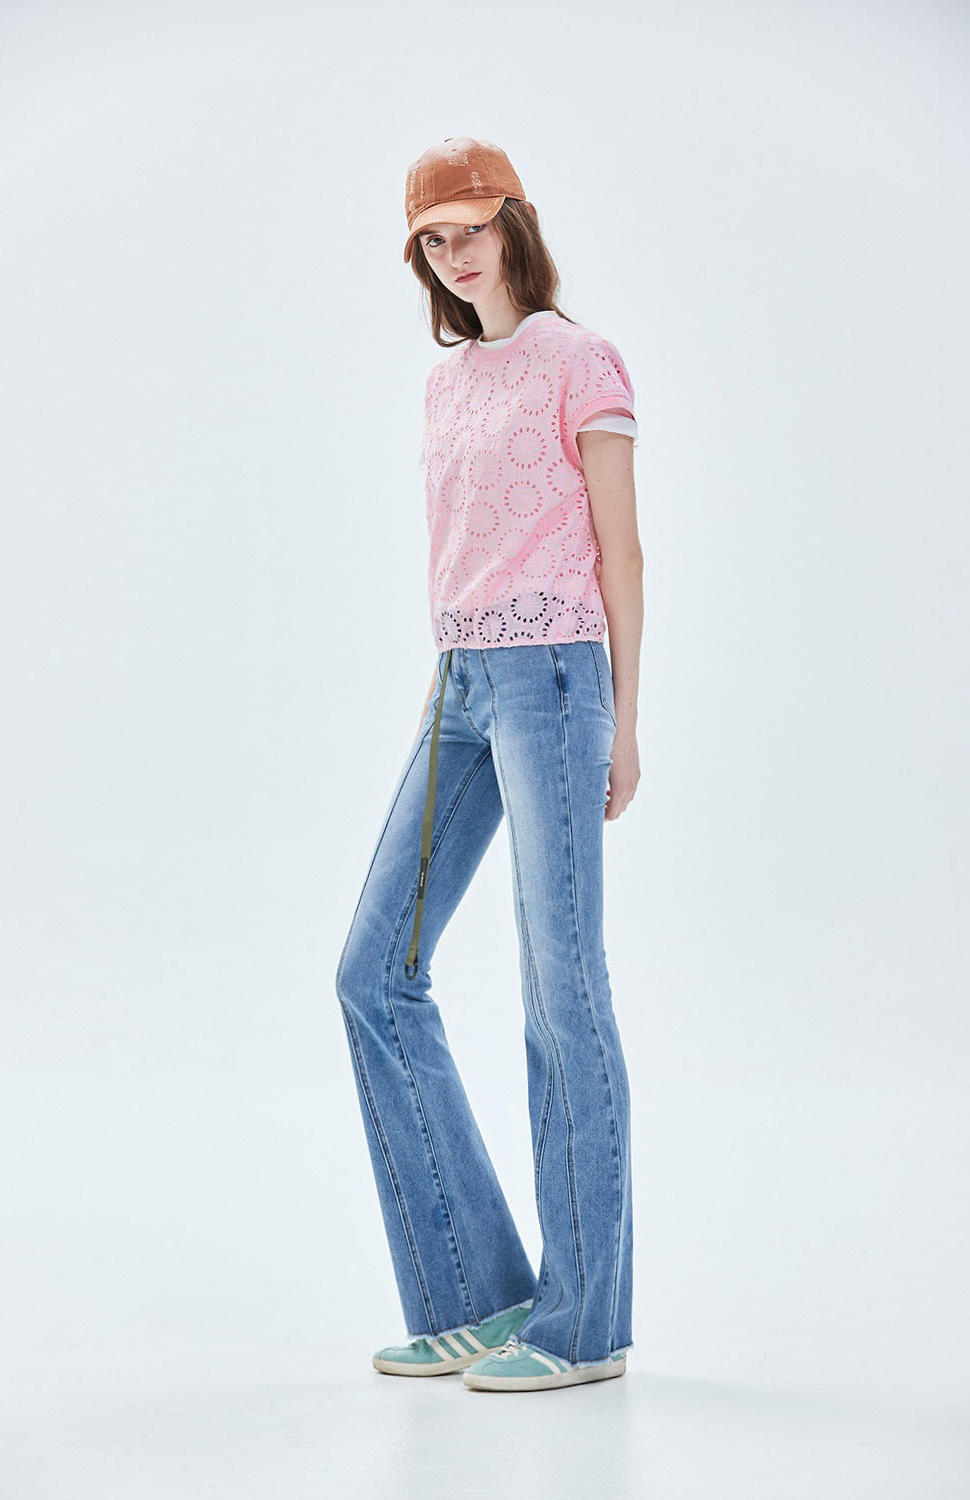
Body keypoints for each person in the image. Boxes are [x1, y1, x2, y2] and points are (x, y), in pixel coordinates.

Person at [335, 137, 644, 1394]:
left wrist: (626, 719)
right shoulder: (445, 381)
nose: (454, 254)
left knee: (561, 993)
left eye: (470, 228)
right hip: (457, 684)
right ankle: (475, 1293)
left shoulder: (581, 359)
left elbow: (622, 550)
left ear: (514, 222)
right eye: (432, 240)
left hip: (557, 682)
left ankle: (583, 1326)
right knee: (372, 972)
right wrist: (450, 674)